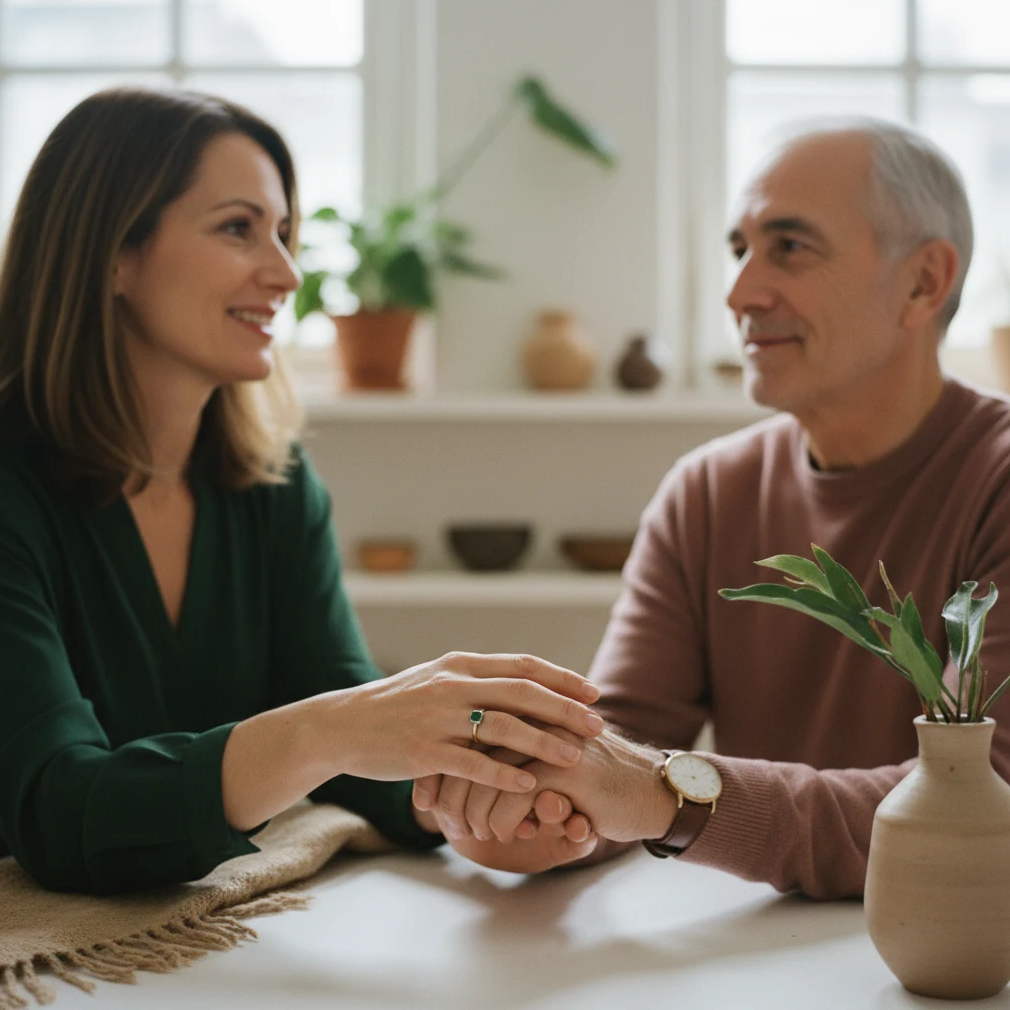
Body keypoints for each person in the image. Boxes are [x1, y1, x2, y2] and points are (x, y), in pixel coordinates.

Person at [0, 87, 608, 895]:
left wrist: (471, 807)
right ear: (113, 254)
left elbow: (354, 746)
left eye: (283, 233)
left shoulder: (272, 488)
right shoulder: (2, 494)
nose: (285, 273)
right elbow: (59, 813)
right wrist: (330, 732)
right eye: (238, 228)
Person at [419, 118, 1010, 898]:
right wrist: (528, 812)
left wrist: (665, 795)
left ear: (923, 283)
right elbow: (621, 750)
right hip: (762, 953)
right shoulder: (704, 492)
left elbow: (989, 806)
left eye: (790, 248)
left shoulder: (996, 482)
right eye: (740, 250)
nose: (740, 293)